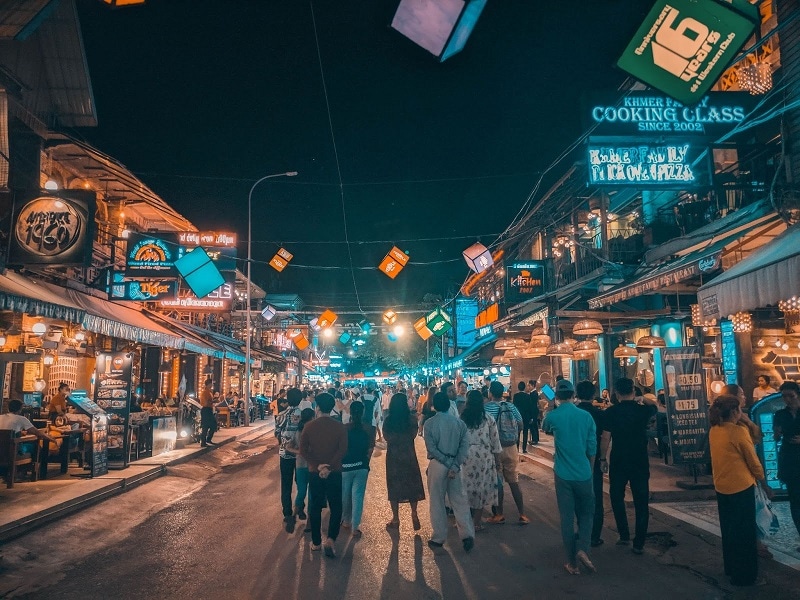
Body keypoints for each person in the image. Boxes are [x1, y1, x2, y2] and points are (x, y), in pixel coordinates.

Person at [709, 394, 773, 586]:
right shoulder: (737, 432)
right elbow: (753, 460)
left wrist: (745, 421)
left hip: (722, 486)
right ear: (735, 411)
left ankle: (731, 569)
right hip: (741, 487)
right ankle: (745, 576)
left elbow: (754, 437)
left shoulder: (715, 430)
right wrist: (764, 483)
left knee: (729, 531)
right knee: (744, 534)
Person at [542, 379, 597, 575]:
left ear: (557, 396)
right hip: (583, 472)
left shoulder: (554, 416)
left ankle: (572, 563)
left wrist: (550, 405)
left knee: (567, 518)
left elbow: (544, 426)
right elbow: (592, 447)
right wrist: (589, 470)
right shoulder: (586, 417)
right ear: (573, 395)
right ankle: (583, 548)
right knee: (587, 514)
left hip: (562, 474)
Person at [600, 377, 657, 554]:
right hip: (639, 459)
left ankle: (624, 535)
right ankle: (639, 543)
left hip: (619, 459)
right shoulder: (642, 411)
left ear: (616, 393)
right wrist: (642, 399)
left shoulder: (611, 412)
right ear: (633, 391)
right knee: (641, 499)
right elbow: (655, 406)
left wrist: (603, 459)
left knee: (616, 496)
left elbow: (606, 437)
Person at [423, 391, 475, 552]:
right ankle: (467, 535)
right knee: (459, 500)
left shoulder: (429, 424)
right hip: (455, 465)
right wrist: (453, 465)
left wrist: (445, 462)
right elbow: (464, 447)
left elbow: (431, 447)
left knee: (437, 502)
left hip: (437, 465)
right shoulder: (459, 424)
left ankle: (438, 537)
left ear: (434, 405)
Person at [300, 392, 348, 558]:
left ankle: (316, 542)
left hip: (315, 472)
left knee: (315, 506)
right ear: (332, 407)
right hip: (334, 472)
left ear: (317, 407)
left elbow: (303, 450)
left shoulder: (309, 426)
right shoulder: (339, 426)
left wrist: (318, 465)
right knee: (336, 507)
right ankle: (331, 539)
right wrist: (329, 466)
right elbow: (342, 450)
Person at [484, 381, 529, 524]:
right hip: (511, 448)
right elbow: (520, 423)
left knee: (498, 483)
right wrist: (514, 437)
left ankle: (500, 514)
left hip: (494, 450)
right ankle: (522, 514)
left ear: (490, 393)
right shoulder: (511, 406)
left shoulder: (487, 408)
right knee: (514, 482)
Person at [460, 389, 502, 531]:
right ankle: (476, 523)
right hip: (484, 457)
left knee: (465, 489)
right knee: (480, 489)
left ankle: (464, 521)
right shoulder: (488, 419)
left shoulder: (462, 419)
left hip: (466, 456)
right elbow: (495, 442)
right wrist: (498, 462)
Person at [383, 393, 425, 530]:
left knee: (394, 485)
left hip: (394, 456)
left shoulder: (388, 420)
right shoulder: (411, 419)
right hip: (409, 455)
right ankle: (414, 513)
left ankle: (395, 518)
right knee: (412, 484)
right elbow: (413, 435)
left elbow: (386, 437)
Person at [575, 380, 609, 548]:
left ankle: (582, 531)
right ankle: (594, 536)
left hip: (576, 460)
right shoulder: (599, 414)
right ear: (593, 394)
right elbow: (604, 437)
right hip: (594, 460)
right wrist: (603, 458)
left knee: (578, 497)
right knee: (595, 496)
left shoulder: (574, 413)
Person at [341, 401, 376, 538]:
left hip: (346, 466)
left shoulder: (344, 428)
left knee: (345, 495)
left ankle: (346, 521)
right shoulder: (370, 429)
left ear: (350, 412)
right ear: (363, 413)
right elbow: (370, 450)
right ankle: (355, 527)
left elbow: (341, 448)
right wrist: (365, 463)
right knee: (358, 496)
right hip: (361, 466)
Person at [774, 380, 800, 550]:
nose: (787, 400)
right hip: (790, 460)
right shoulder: (780, 415)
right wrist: (777, 433)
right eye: (784, 397)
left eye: (790, 396)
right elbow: (776, 437)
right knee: (796, 500)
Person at [275, 387, 303, 533]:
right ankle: (300, 507)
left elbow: (277, 433)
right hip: (300, 454)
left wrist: (283, 443)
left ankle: (287, 514)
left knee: (286, 484)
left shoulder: (281, 415)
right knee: (301, 483)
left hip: (285, 454)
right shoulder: (303, 415)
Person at [284, 407, 315, 528]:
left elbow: (288, 447)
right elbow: (289, 447)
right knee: (310, 493)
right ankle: (307, 522)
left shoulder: (298, 430)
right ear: (312, 418)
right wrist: (301, 452)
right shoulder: (312, 431)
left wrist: (299, 452)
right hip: (311, 465)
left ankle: (295, 516)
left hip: (301, 465)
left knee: (301, 492)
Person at [512, 381, 537, 454]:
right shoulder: (527, 396)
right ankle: (524, 449)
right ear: (524, 388)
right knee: (525, 432)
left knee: (518, 433)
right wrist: (531, 417)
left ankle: (517, 449)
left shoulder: (515, 396)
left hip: (517, 416)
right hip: (526, 417)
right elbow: (530, 407)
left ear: (518, 387)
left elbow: (514, 407)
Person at [199, 378, 216, 447]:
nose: (212, 385)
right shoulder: (205, 392)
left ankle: (208, 439)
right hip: (206, 410)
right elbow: (205, 403)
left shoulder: (209, 392)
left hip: (209, 409)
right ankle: (203, 442)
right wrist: (213, 401)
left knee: (213, 425)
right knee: (205, 426)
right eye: (211, 383)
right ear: (209, 384)